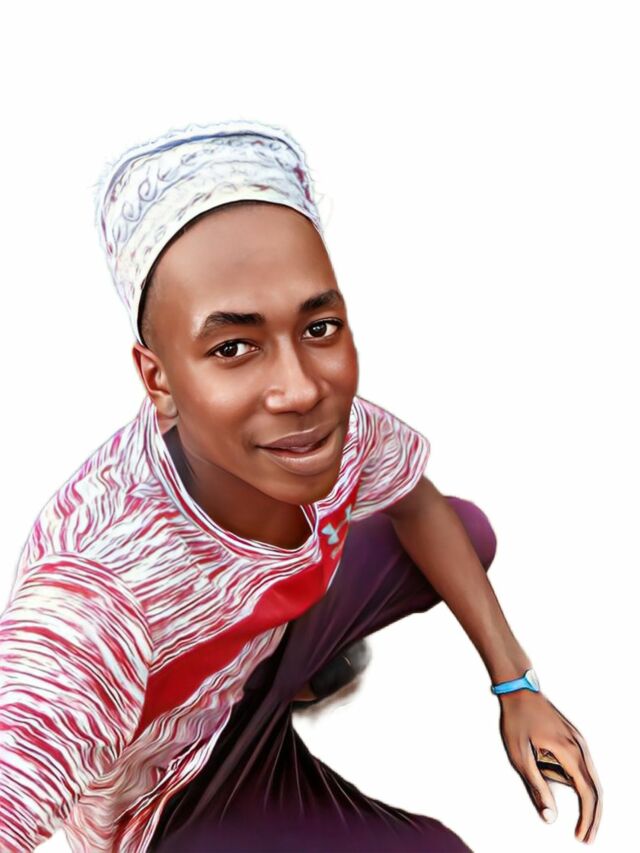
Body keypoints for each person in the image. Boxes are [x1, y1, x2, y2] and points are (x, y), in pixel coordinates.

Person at [0, 120, 601, 852]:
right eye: (233, 346)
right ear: (158, 380)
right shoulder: (98, 595)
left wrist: (517, 685)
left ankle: (290, 670)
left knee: (465, 531)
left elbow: (415, 502)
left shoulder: (323, 432)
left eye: (319, 328)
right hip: (178, 787)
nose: (301, 389)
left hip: (256, 648)